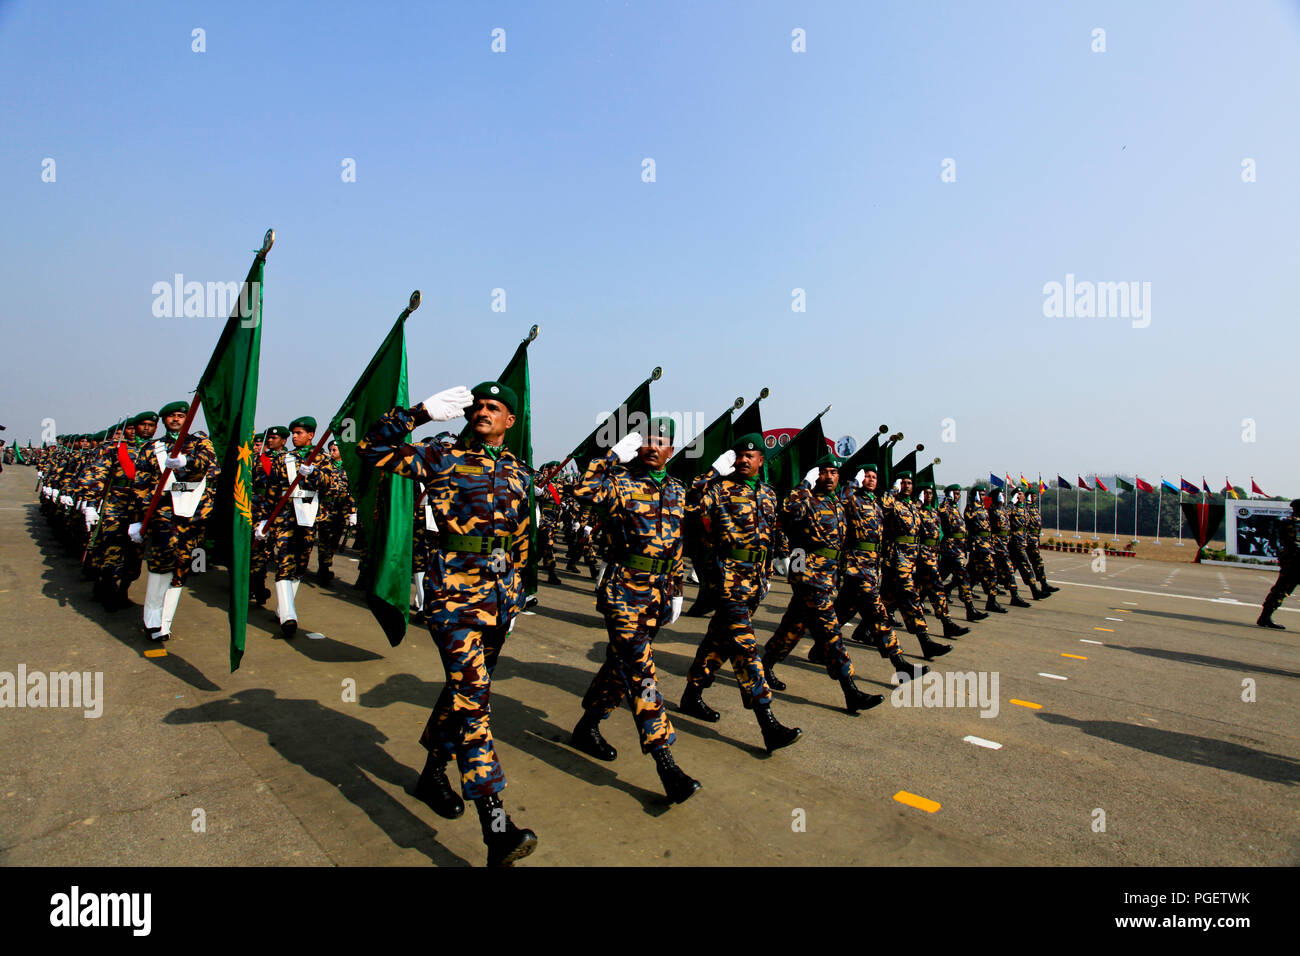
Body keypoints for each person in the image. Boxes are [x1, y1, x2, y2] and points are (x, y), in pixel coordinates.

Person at [359, 381, 536, 867]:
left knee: (461, 693)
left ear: (509, 422)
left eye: (493, 407)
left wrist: (517, 595)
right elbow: (371, 449)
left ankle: (432, 772)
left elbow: (521, 536)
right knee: (474, 699)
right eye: (477, 406)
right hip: (453, 597)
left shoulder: (520, 471)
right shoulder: (440, 455)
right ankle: (495, 823)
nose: (483, 412)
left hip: (498, 598)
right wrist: (416, 414)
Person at [569, 419, 702, 803]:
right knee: (641, 668)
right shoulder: (619, 482)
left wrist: (676, 589)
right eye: (645, 442)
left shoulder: (678, 490)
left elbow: (677, 544)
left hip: (659, 593)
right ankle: (665, 762)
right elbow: (581, 489)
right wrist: (611, 455)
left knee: (620, 664)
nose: (651, 448)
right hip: (624, 591)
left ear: (671, 451)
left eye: (659, 442)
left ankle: (587, 724)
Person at [678, 433, 802, 752]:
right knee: (746, 647)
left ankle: (692, 695)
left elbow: (776, 529)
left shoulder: (769, 494)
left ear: (761, 460)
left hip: (757, 579)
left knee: (719, 640)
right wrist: (712, 472)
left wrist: (781, 558)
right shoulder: (718, 489)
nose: (744, 459)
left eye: (751, 455)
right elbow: (688, 504)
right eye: (740, 455)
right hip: (728, 579)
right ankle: (767, 721)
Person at [762, 453, 886, 714]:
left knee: (792, 627)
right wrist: (803, 485)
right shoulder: (806, 500)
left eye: (833, 472)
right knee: (831, 633)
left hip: (828, 576)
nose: (828, 477)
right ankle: (850, 690)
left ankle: (764, 665)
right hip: (809, 576)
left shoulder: (838, 503)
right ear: (815, 475)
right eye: (823, 472)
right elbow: (786, 513)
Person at [1258, 498, 1300, 629]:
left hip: (1290, 559)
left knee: (1280, 590)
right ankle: (1265, 617)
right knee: (1281, 590)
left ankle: (1265, 616)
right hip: (1296, 561)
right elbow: (1296, 543)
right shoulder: (1296, 523)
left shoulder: (1287, 521)